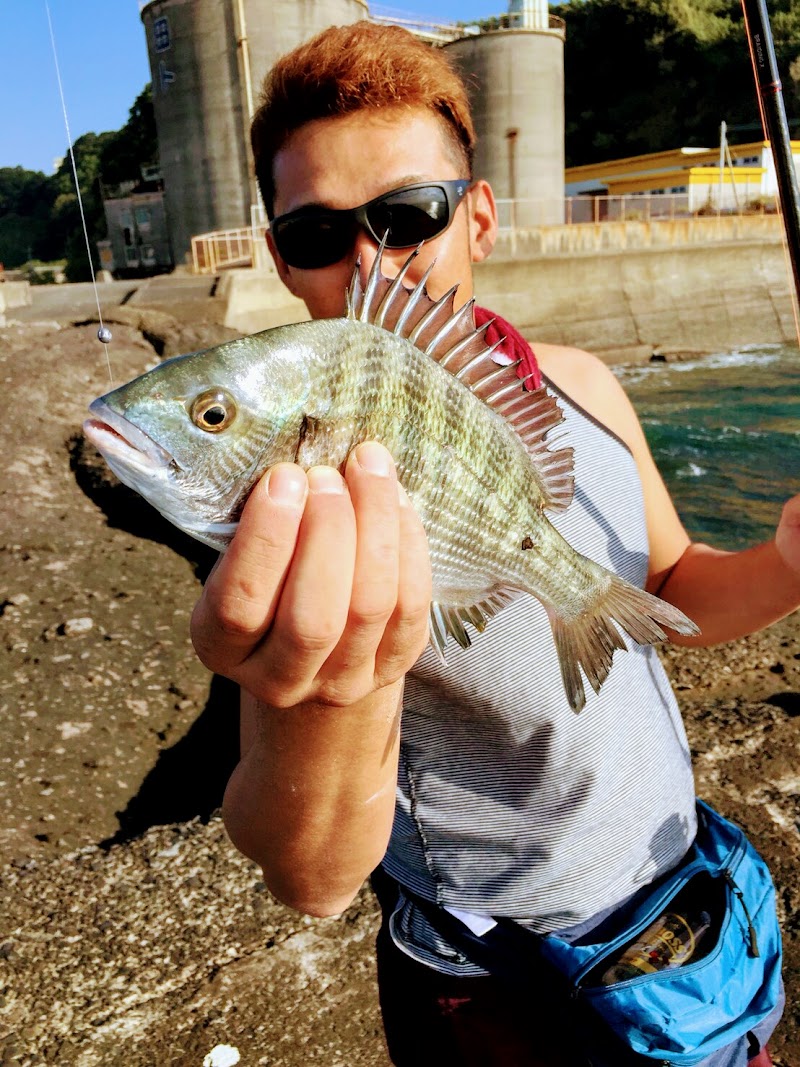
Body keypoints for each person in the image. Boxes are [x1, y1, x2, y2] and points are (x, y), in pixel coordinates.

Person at [189, 21, 799, 1067]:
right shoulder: (290, 504)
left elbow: (665, 585)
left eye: (407, 215)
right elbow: (313, 872)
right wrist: (339, 681)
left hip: (678, 902)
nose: (370, 260)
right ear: (283, 261)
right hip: (498, 984)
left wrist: (788, 560)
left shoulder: (585, 387)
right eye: (316, 235)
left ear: (477, 216)